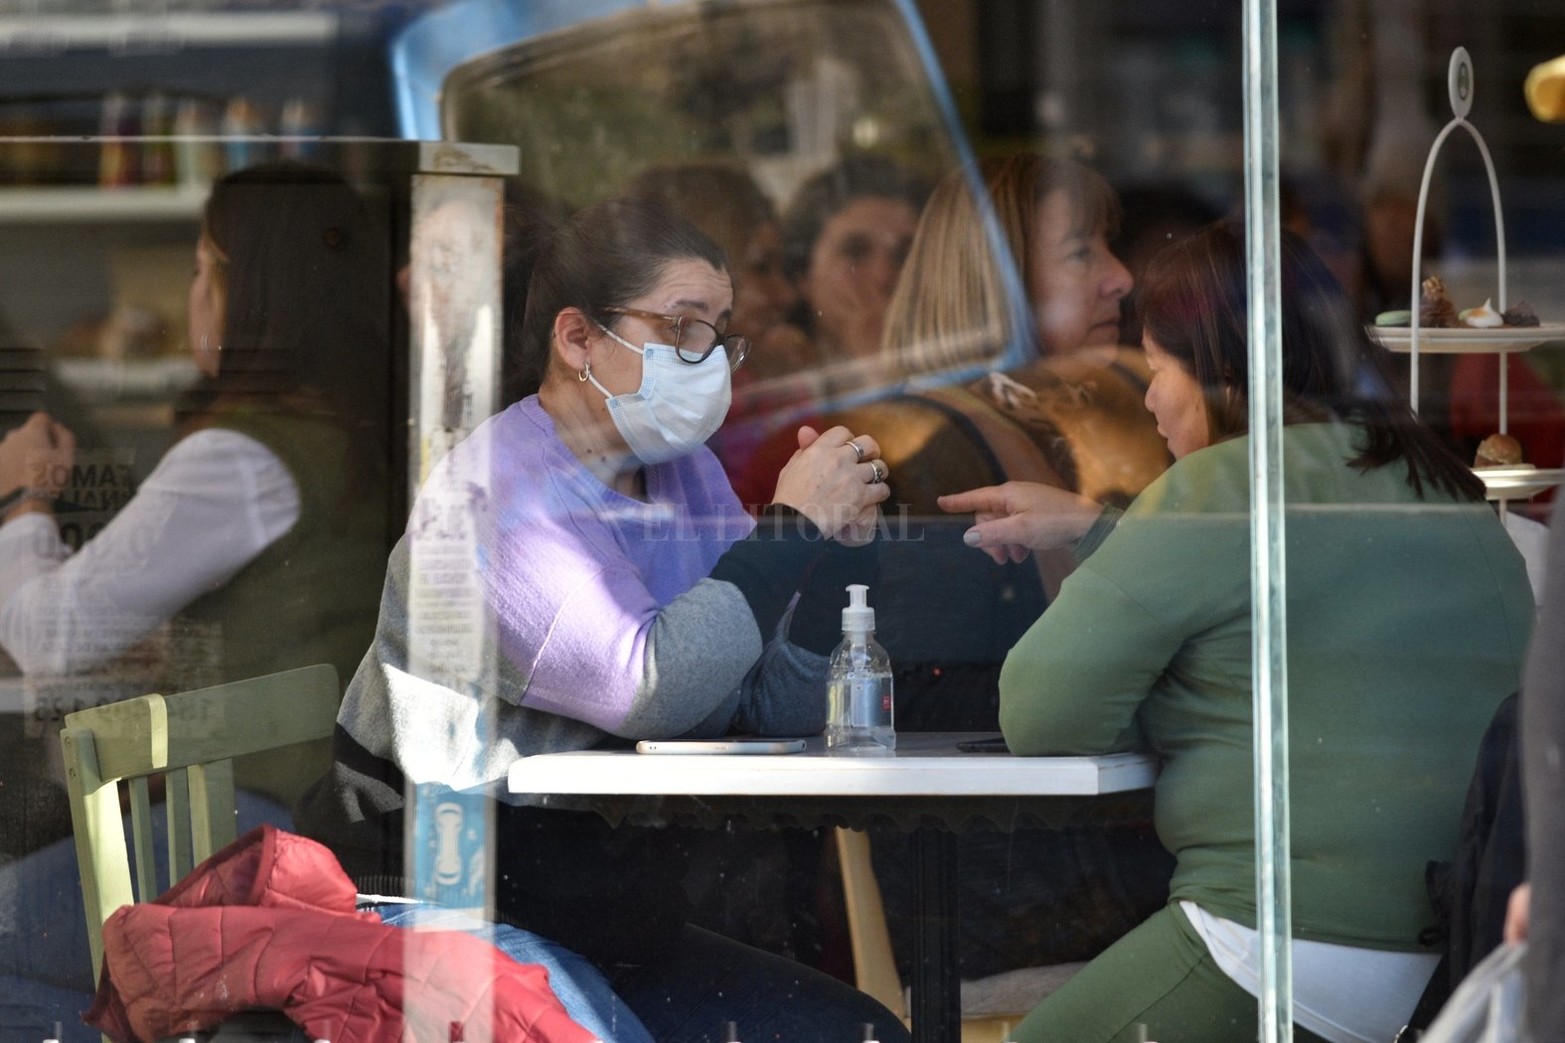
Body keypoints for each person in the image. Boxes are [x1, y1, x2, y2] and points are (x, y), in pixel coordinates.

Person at [295, 197, 910, 1043]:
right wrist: (788, 531)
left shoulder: (683, 473)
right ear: (577, 338)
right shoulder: (493, 498)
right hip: (436, 904)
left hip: (598, 913)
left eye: (721, 332)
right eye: (682, 327)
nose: (710, 359)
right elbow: (646, 688)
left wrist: (841, 557)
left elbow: (763, 700)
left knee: (857, 1035)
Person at [943, 222, 1534, 1043]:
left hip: (1281, 941)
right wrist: (1104, 529)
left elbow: (1041, 711)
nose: (1148, 397)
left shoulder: (1219, 488)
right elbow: (1305, 616)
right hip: (1454, 954)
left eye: (1156, 368)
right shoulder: (1443, 485)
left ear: (1220, 372)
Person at [0, 161, 393, 1039]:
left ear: (243, 288)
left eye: (199, 268)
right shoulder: (355, 431)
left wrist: (22, 496)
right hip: (316, 831)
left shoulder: (242, 459)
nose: (191, 297)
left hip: (246, 833)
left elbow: (50, 635)